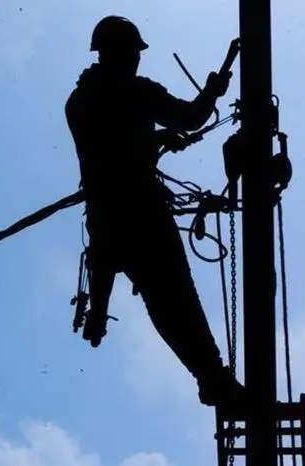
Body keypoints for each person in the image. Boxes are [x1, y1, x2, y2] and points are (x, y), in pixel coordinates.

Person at [64, 15, 246, 408]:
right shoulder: (138, 92)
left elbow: (109, 150)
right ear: (120, 53)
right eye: (133, 53)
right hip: (141, 214)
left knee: (160, 301)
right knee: (176, 300)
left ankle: (102, 314)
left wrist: (157, 139)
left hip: (106, 220)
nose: (137, 60)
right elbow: (190, 118)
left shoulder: (78, 103)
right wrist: (213, 91)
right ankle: (212, 378)